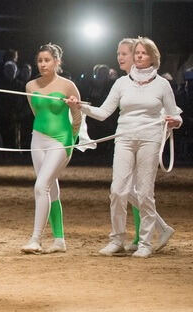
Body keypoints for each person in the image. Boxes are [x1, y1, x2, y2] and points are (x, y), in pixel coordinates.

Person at [67, 37, 182, 258]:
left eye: (143, 53)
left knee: (146, 192)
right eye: (136, 53)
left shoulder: (162, 84)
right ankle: (117, 240)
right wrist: (80, 106)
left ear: (152, 57)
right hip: (124, 139)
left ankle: (146, 243)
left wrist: (175, 121)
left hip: (150, 139)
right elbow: (103, 113)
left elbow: (175, 114)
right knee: (118, 191)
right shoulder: (121, 83)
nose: (139, 56)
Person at [21, 43, 84, 255]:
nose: (43, 64)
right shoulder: (31, 86)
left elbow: (77, 116)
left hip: (61, 140)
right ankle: (59, 240)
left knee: (41, 187)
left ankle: (35, 239)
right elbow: (36, 112)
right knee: (51, 189)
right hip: (37, 140)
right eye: (40, 60)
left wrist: (71, 141)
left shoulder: (68, 86)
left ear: (57, 62)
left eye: (47, 60)